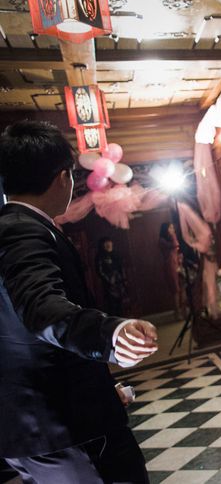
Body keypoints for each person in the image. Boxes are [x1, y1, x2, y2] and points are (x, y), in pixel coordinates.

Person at [0, 120, 158, 483]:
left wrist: (97, 386)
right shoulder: (24, 230)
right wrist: (110, 333)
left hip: (34, 423)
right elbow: (41, 306)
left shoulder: (13, 226)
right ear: (63, 178)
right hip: (62, 426)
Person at [96, 237, 127, 317]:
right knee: (112, 305)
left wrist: (124, 279)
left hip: (119, 283)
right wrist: (109, 280)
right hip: (109, 285)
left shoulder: (116, 254)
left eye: (110, 242)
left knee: (121, 304)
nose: (109, 244)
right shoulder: (100, 256)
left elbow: (121, 268)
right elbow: (100, 271)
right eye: (106, 243)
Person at [159, 221, 183, 319]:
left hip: (176, 263)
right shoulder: (162, 240)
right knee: (175, 289)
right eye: (170, 228)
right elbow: (175, 244)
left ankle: (181, 311)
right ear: (166, 229)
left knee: (181, 287)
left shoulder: (169, 238)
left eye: (173, 228)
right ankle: (177, 313)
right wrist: (173, 235)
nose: (173, 230)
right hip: (170, 265)